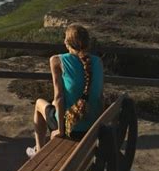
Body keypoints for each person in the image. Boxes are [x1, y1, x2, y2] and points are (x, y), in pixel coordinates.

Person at [26, 24, 104, 158]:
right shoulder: (97, 61)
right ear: (87, 43)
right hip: (92, 126)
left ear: (67, 43)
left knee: (39, 103)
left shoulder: (57, 60)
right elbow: (100, 97)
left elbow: (59, 97)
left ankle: (39, 151)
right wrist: (98, 126)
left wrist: (60, 131)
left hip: (71, 128)